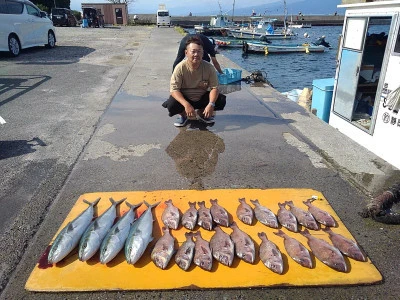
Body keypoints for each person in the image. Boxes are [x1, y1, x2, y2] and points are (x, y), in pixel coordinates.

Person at [162, 36, 226, 127]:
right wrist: (186, 105)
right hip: (186, 97)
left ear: (203, 53)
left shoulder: (209, 68)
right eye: (193, 51)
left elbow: (214, 87)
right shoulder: (180, 68)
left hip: (201, 97)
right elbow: (174, 90)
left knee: (220, 100)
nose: (196, 54)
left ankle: (202, 113)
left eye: (199, 51)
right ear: (186, 53)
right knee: (172, 104)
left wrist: (211, 104)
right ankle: (183, 115)